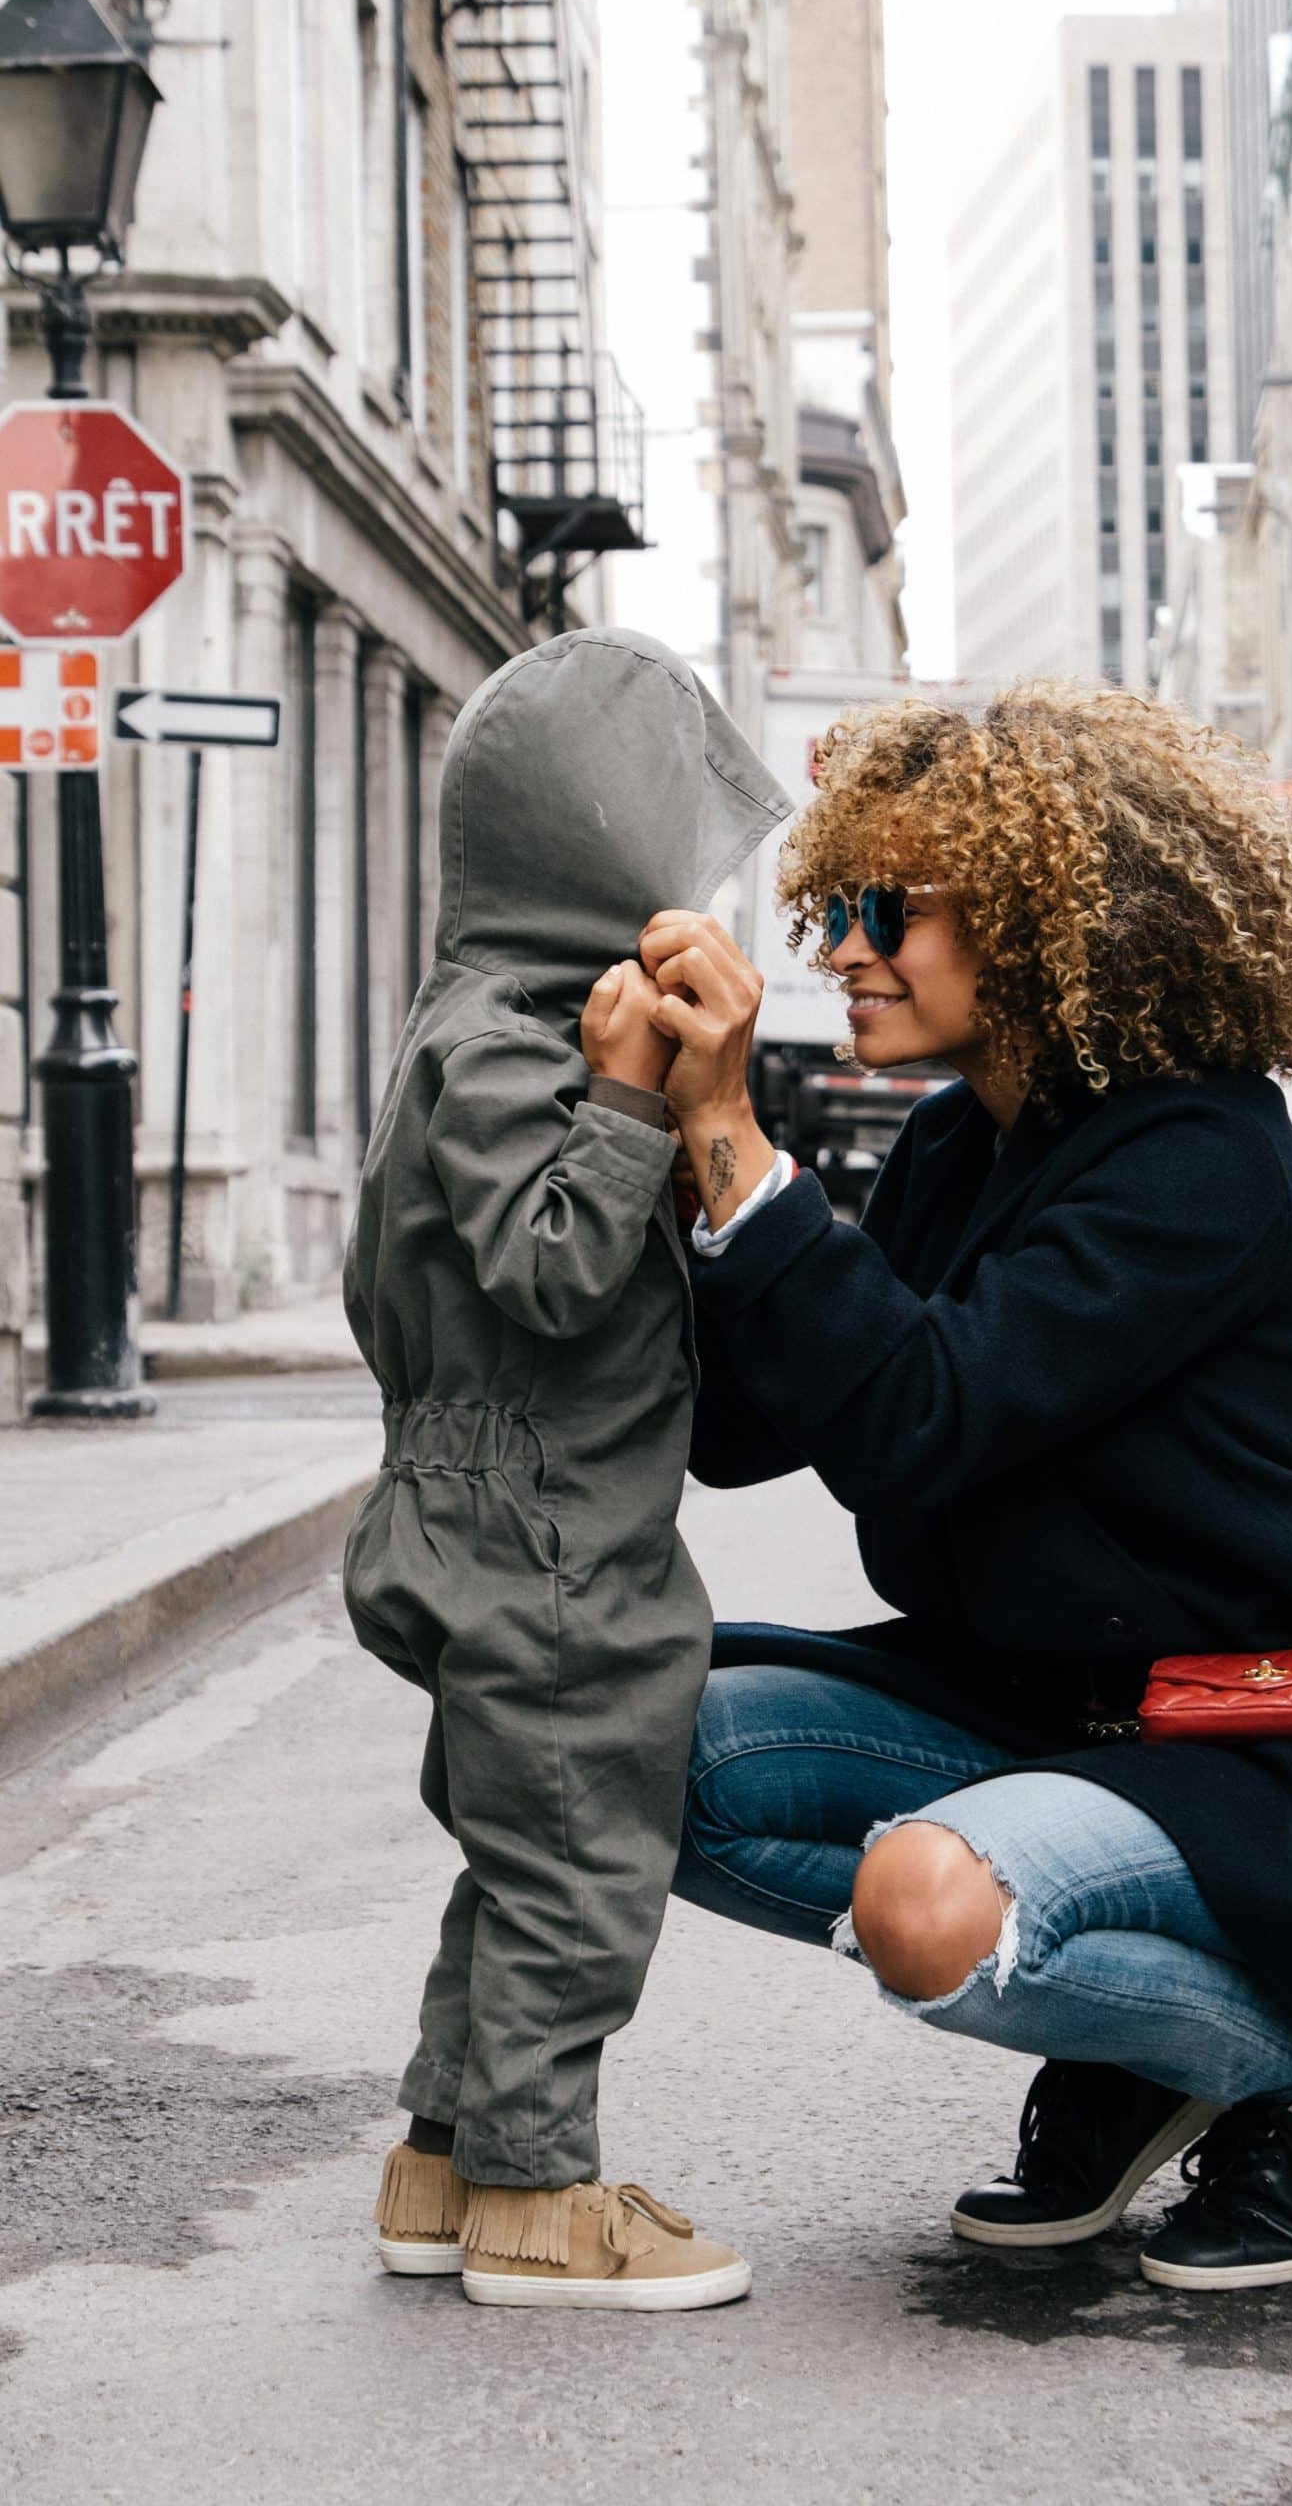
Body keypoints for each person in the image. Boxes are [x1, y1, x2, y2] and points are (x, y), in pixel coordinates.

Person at [644, 680, 1292, 2293]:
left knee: (927, 1910)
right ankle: (1144, 2044)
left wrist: (736, 1141)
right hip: (1039, 1708)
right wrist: (661, 1137)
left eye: (881, 912)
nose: (837, 951)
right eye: (829, 907)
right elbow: (753, 1428)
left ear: (1050, 916)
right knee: (626, 1756)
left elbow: (920, 1415)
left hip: (1280, 1753)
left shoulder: (1196, 1161)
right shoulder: (956, 1148)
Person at [341, 627, 786, 2309]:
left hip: (482, 1509)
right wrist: (624, 1105)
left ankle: (445, 2161)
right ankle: (539, 2200)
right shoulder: (521, 1044)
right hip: (547, 1537)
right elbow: (544, 1267)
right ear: (592, 843)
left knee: (515, 1856)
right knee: (585, 1867)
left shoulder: (471, 1022)